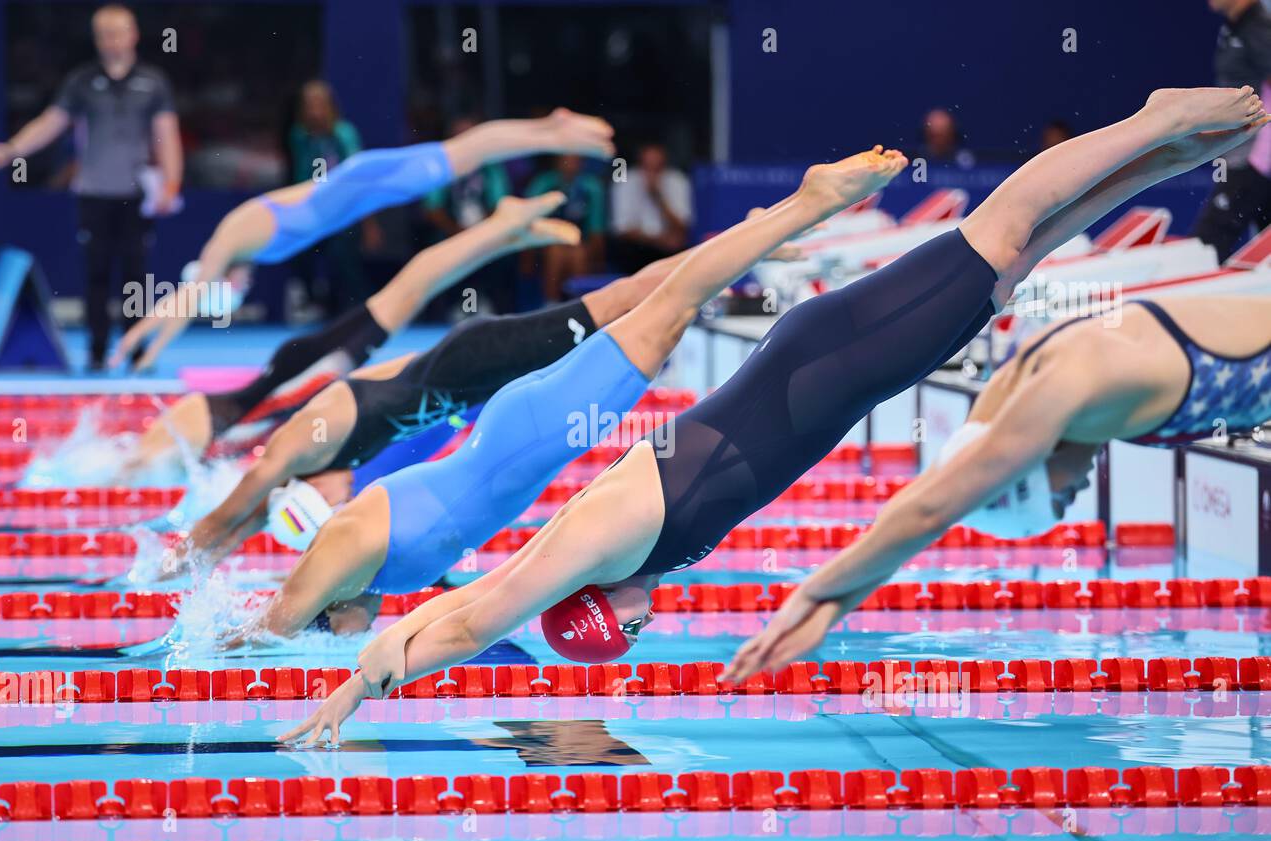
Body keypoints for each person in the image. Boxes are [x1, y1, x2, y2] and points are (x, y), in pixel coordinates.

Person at [276, 87, 1266, 747]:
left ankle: (1151, 120)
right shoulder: (635, 559)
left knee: (999, 232)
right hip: (831, 372)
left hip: (828, 363)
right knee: (1017, 255)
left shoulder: (599, 543)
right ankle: (1173, 152)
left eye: (620, 630)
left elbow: (478, 608)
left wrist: (359, 684)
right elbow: (477, 598)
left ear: (597, 608)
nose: (641, 623)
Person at [729, 286, 1271, 680]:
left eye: (1061, 498)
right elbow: (931, 496)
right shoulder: (1016, 380)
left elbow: (929, 512)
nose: (1078, 492)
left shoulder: (1075, 392)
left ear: (1026, 462)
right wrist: (834, 606)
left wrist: (806, 598)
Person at [160, 209, 722, 580]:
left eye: (329, 508)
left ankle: (745, 240)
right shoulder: (343, 473)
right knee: (620, 318)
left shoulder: (294, 452)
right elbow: (248, 524)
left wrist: (169, 569)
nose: (342, 508)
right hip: (473, 387)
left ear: (307, 489)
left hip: (473, 360)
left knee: (621, 300)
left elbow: (221, 520)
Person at [109, 108, 615, 371]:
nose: (237, 293)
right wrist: (130, 343)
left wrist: (148, 355)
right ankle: (550, 130)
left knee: (466, 152)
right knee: (463, 153)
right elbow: (183, 299)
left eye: (229, 291)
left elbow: (187, 299)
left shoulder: (231, 237)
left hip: (362, 182)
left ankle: (552, 129)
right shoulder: (249, 250)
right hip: (363, 189)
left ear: (213, 276)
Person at [123, 193, 578, 476]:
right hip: (298, 376)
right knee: (406, 292)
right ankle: (507, 234)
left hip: (302, 374)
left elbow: (142, 468)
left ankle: (502, 226)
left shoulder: (176, 438)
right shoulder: (198, 438)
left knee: (407, 292)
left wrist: (147, 348)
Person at [0, 3, 181, 371]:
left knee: (136, 277)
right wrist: (13, 149)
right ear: (96, 39)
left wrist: (171, 183)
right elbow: (51, 123)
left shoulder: (153, 83)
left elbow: (167, 136)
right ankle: (97, 351)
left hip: (135, 196)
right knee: (97, 275)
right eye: (104, 33)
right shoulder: (82, 82)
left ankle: (135, 350)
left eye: (119, 31)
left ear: (134, 34)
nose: (112, 40)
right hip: (93, 195)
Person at [1193, 0, 1271, 259]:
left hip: (1251, 160)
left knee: (1204, 248)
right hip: (1245, 157)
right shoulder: (1234, 27)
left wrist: (1259, 160)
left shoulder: (1259, 27)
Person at [287, 79, 371, 314]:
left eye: (319, 102)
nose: (315, 108)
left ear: (329, 105)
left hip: (343, 211)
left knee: (343, 258)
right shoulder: (300, 135)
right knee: (299, 253)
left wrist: (368, 221)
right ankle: (311, 303)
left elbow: (357, 175)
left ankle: (357, 310)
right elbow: (302, 175)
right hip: (311, 210)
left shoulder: (344, 133)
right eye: (309, 103)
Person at [422, 115, 517, 315]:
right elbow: (432, 209)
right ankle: (462, 306)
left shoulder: (491, 168)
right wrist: (456, 230)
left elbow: (502, 205)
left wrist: (483, 230)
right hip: (451, 232)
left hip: (487, 231)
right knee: (454, 252)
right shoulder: (442, 170)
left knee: (496, 250)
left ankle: (486, 304)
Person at [526, 154, 608, 300]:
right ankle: (551, 302)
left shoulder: (591, 187)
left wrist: (598, 262)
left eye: (575, 159)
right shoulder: (544, 184)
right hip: (546, 243)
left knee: (578, 254)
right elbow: (528, 222)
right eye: (566, 159)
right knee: (556, 253)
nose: (570, 164)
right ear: (557, 161)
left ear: (582, 163)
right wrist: (527, 258)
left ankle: (578, 304)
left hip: (580, 244)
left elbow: (596, 230)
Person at [608, 142, 692, 272]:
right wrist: (658, 240)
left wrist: (658, 198)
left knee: (680, 248)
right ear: (640, 165)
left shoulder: (677, 180)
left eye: (657, 168)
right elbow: (622, 229)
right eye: (647, 167)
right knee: (629, 249)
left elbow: (683, 225)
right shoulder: (625, 182)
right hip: (637, 248)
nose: (652, 173)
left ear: (664, 165)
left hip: (669, 250)